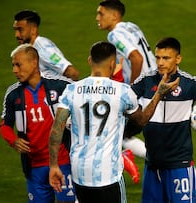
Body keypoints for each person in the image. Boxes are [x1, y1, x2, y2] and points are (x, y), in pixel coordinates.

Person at [96, 1, 196, 195]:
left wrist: (130, 92)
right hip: (156, 80)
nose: (97, 18)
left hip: (147, 89)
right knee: (141, 138)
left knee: (123, 134)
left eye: (101, 14)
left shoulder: (114, 34)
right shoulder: (131, 26)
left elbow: (136, 58)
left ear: (114, 16)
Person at [48, 41, 179, 203]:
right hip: (108, 175)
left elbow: (56, 130)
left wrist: (53, 165)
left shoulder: (71, 90)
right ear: (112, 63)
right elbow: (141, 120)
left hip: (80, 174)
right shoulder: (123, 91)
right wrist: (159, 93)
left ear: (90, 60)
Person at [129, 37, 196, 203]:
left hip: (179, 165)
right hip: (152, 164)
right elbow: (122, 100)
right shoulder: (145, 81)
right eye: (158, 57)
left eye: (166, 58)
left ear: (178, 59)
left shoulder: (190, 84)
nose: (160, 63)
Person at [0, 44, 76, 203]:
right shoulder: (13, 94)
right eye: (13, 65)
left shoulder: (60, 86)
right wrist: (13, 140)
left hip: (64, 162)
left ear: (34, 62)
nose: (14, 70)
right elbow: (5, 126)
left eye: (18, 65)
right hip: (34, 167)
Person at [13, 10, 79, 81]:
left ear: (33, 29)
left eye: (20, 30)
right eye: (15, 30)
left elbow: (72, 72)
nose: (16, 35)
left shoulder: (43, 48)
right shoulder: (33, 49)